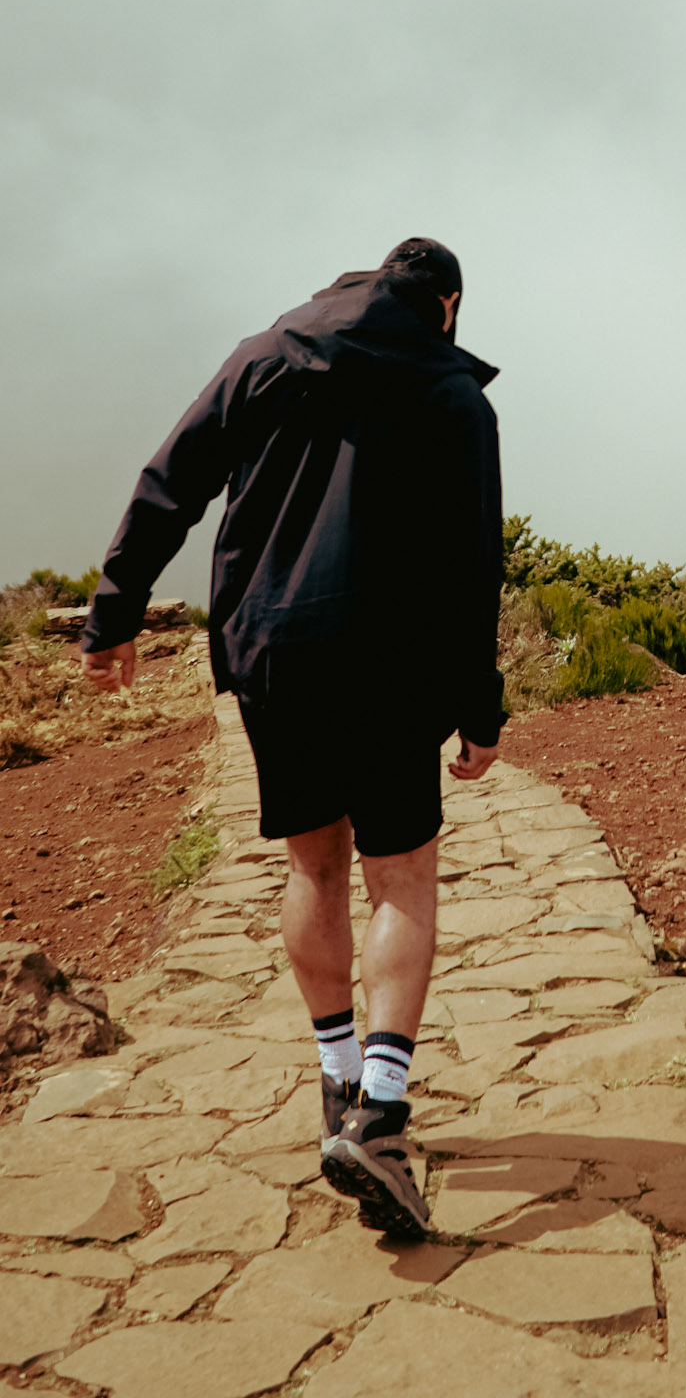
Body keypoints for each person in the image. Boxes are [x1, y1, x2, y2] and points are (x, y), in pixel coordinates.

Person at [81, 237, 504, 1238]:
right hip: (391, 656)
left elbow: (170, 479)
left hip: (274, 648)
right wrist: (479, 704)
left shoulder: (266, 352)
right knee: (401, 874)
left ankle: (338, 1080)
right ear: (445, 305)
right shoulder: (453, 394)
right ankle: (383, 1116)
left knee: (315, 865)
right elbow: (471, 561)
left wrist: (114, 612)